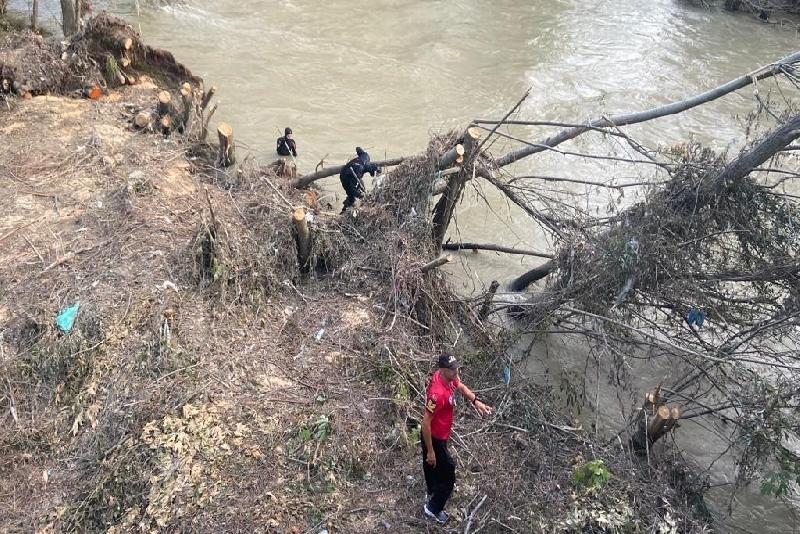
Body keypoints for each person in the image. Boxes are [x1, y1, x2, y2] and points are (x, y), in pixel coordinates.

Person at [421, 352, 493, 524]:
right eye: (452, 369)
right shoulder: (437, 395)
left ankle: (432, 489)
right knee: (449, 475)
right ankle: (433, 508)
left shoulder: (448, 378)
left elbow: (460, 387)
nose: (456, 371)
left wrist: (476, 401)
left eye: (456, 367)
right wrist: (431, 450)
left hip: (439, 435)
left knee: (431, 465)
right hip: (434, 437)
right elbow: (425, 423)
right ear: (443, 370)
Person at [339, 146, 380, 213]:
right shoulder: (359, 171)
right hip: (344, 176)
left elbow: (358, 148)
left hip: (350, 171)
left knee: (362, 188)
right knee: (352, 195)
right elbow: (353, 187)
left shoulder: (366, 157)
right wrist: (361, 196)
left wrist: (357, 159)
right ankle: (344, 212)